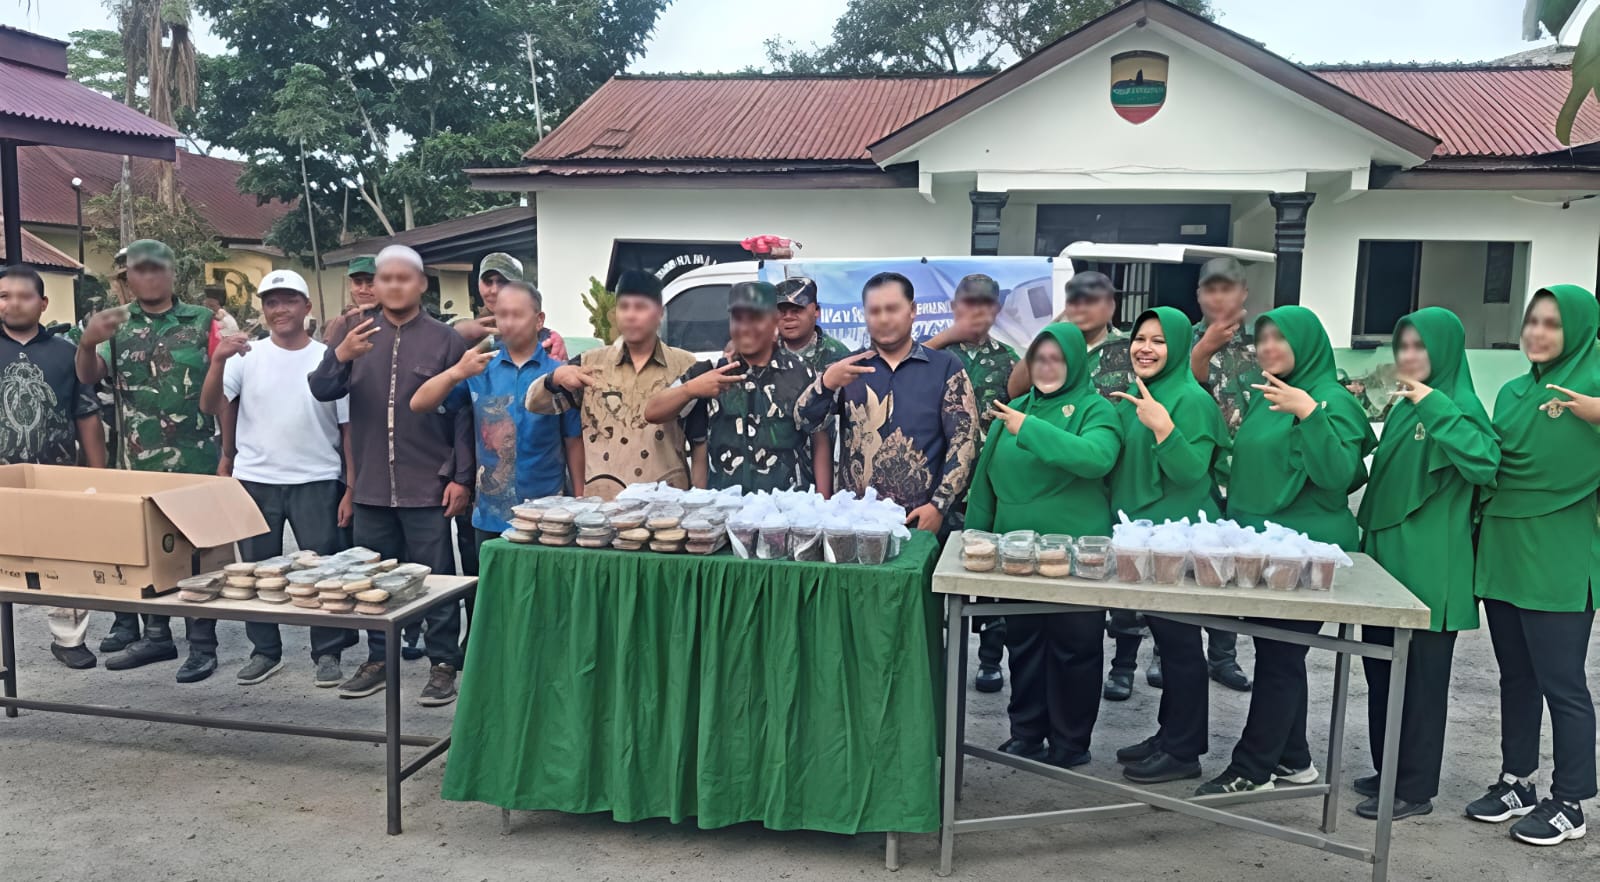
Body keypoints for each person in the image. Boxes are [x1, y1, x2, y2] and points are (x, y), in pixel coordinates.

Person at [1198, 306, 1375, 795]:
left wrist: (1309, 413)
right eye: (1264, 339)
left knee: (1279, 656)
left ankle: (1251, 768)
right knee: (1278, 651)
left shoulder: (1331, 399)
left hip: (1308, 551)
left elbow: (1339, 475)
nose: (1268, 348)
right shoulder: (1267, 394)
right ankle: (1294, 760)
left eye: (1280, 339)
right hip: (1265, 545)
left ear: (1309, 343)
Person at [1350, 308, 1497, 820]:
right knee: (1381, 671)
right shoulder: (1402, 405)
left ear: (1446, 351)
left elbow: (1483, 463)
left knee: (1422, 681)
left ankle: (1414, 788)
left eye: (1420, 347)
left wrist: (1436, 407)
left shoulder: (1459, 403)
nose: (1408, 357)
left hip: (1434, 563)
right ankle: (1388, 767)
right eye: (1403, 346)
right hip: (1388, 554)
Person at [309, 244, 471, 706]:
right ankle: (380, 658)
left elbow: (461, 414)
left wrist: (460, 478)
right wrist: (339, 354)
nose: (394, 285)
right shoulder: (357, 334)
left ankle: (442, 664)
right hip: (373, 487)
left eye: (405, 278)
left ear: (421, 284)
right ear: (375, 286)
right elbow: (321, 389)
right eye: (386, 278)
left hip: (428, 484)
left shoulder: (444, 340)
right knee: (373, 579)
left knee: (435, 578)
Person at [1466, 285, 1600, 845]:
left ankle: (1570, 800)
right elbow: (1496, 462)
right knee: (1516, 677)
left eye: (1552, 323)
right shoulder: (1514, 391)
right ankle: (1516, 779)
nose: (1538, 333)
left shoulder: (1595, 385)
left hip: (1559, 559)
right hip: (1504, 551)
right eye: (1532, 321)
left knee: (1563, 683)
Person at [965, 321, 1121, 768]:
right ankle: (1027, 733)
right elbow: (985, 484)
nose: (1047, 366)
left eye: (1057, 358)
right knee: (1025, 644)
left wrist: (1029, 428)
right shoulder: (1012, 409)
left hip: (1076, 558)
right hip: (1017, 557)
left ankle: (1071, 742)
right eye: (1040, 358)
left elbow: (1096, 458)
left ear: (1074, 362)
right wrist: (976, 545)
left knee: (1075, 647)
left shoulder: (1096, 409)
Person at [200, 269, 361, 688]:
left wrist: (351, 486)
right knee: (256, 571)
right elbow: (214, 405)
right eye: (272, 302)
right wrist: (218, 361)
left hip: (316, 479)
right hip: (256, 480)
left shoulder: (328, 358)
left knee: (324, 572)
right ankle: (264, 650)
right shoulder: (246, 356)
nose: (280, 309)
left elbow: (348, 430)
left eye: (289, 300)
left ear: (307, 308)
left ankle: (327, 651)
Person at [75, 238, 224, 683]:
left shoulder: (202, 320)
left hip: (195, 459)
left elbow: (226, 387)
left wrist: (227, 456)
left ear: (172, 272)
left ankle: (202, 646)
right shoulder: (114, 324)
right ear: (128, 278)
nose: (150, 276)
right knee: (146, 553)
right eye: (140, 270)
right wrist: (86, 344)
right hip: (137, 463)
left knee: (199, 555)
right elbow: (89, 376)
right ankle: (156, 635)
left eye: (158, 268)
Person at [1108, 307, 1229, 785]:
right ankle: (1169, 734)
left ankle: (1184, 750)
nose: (1145, 348)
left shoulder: (1190, 400)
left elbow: (1192, 470)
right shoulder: (1139, 395)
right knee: (1167, 637)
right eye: (1140, 338)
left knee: (1180, 645)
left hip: (1178, 540)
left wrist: (1164, 427)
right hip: (1144, 538)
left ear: (1177, 346)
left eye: (1159, 341)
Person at [795, 271, 977, 534]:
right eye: (874, 311)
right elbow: (804, 421)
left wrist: (938, 505)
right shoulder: (849, 369)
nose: (883, 319)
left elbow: (965, 442)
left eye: (892, 309)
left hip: (918, 523)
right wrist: (826, 384)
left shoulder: (945, 368)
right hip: (854, 525)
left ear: (912, 310)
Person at [410, 280, 584, 544]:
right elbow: (419, 403)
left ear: (539, 320)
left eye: (517, 314)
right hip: (490, 516)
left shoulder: (556, 374)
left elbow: (573, 441)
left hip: (548, 517)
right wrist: (456, 372)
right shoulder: (479, 370)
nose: (509, 322)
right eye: (502, 315)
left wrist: (581, 500)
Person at [0, 264, 107, 669]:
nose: (13, 303)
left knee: (65, 557)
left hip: (57, 474)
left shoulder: (67, 353)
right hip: (1, 477)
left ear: (43, 303)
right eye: (4, 295)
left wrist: (97, 478)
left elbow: (87, 414)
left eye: (24, 296)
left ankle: (69, 639)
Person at [924, 273, 1021, 693]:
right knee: (932, 574)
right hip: (937, 483)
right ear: (955, 305)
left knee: (989, 571)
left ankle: (989, 659)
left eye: (985, 305)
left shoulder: (1008, 359)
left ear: (996, 310)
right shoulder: (932, 351)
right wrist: (949, 336)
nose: (976, 313)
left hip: (988, 481)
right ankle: (934, 655)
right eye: (968, 304)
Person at [645, 281, 830, 494]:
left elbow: (820, 443)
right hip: (727, 511)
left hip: (786, 514)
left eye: (755, 318)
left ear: (774, 321)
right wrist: (691, 390)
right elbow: (652, 412)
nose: (744, 328)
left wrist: (822, 505)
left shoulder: (803, 375)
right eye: (738, 319)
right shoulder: (708, 372)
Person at [527, 270, 697, 500]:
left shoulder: (686, 365)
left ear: (660, 313)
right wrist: (554, 379)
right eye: (624, 307)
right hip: (605, 505)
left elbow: (699, 442)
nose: (630, 315)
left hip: (665, 506)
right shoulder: (589, 363)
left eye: (640, 307)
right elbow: (535, 404)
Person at [1178, 256, 1256, 694]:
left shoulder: (1265, 343)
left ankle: (1223, 655)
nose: (1219, 297)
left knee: (1229, 567)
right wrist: (1203, 349)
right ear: (1199, 295)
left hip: (1246, 477)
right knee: (1184, 563)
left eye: (1228, 288)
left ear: (1244, 293)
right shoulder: (1178, 341)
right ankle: (1167, 650)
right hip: (1194, 473)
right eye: (1211, 289)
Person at [454, 253, 567, 360]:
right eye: (488, 281)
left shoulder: (544, 338)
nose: (494, 290)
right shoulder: (466, 331)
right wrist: (454, 335)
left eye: (503, 282)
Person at [776, 277, 851, 372]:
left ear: (816, 311)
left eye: (796, 310)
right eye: (781, 311)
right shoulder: (763, 353)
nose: (788, 317)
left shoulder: (838, 356)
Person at [321, 256, 378, 346]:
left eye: (370, 282)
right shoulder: (340, 323)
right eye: (357, 282)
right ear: (350, 285)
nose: (363, 289)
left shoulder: (396, 319)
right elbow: (327, 358)